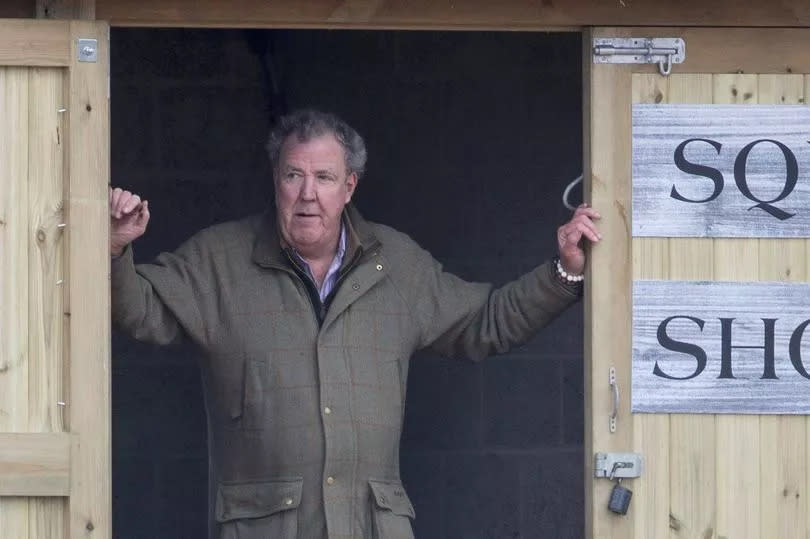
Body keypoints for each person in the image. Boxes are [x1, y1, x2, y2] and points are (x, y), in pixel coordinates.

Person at [109, 109, 601, 539]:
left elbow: (487, 322)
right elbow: (141, 311)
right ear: (274, 180)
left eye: (323, 177)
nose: (307, 194)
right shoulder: (219, 260)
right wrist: (112, 250)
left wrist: (565, 271)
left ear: (349, 187)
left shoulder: (397, 265)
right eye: (292, 175)